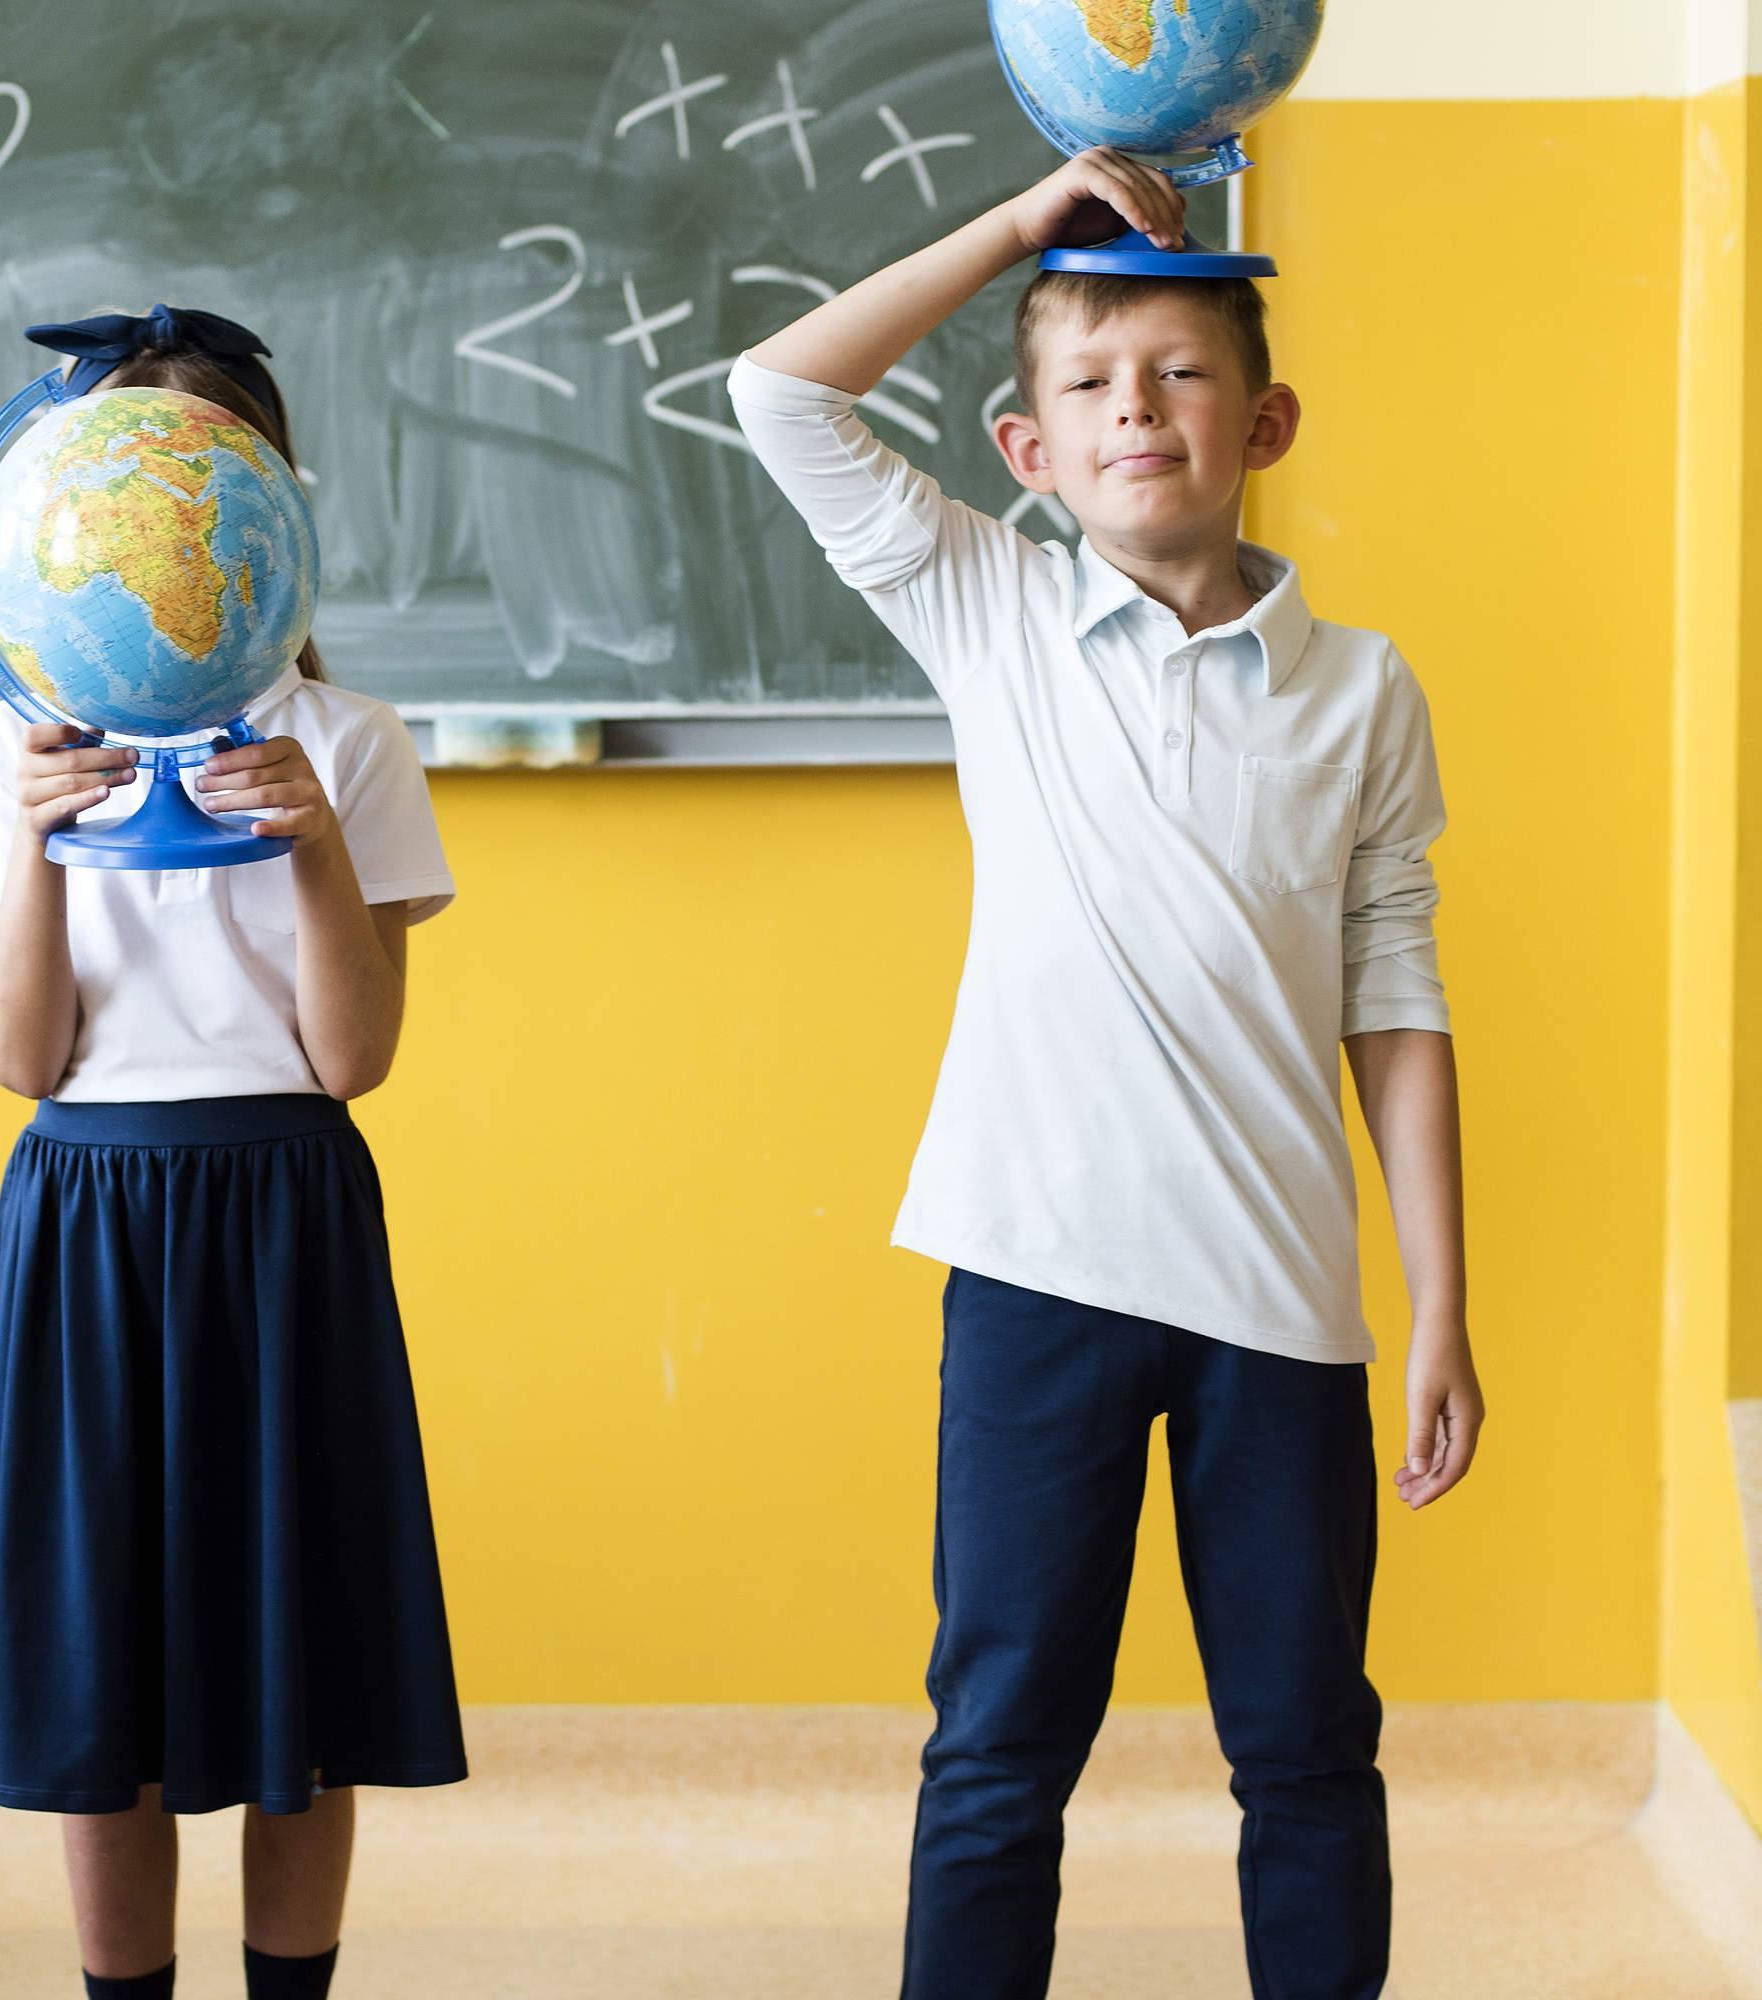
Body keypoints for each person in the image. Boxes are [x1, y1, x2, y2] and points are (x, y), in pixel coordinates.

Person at [729, 150, 1485, 1999]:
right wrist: (1016, 234)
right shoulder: (988, 611)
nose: (1136, 409)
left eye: (1180, 374)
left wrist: (1440, 1302)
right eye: (1088, 385)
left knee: (1307, 1753)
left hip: (1281, 1311)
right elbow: (778, 392)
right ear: (1027, 448)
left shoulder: (1363, 687)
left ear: (1268, 417)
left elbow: (1395, 990)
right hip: (1034, 1282)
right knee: (996, 1758)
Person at [0, 306, 467, 2000]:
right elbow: (23, 1058)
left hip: (285, 1209)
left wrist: (308, 840)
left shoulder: (356, 742)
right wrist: (35, 834)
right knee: (108, 1672)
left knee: (302, 1669)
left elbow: (353, 1059)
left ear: (270, 521)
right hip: (88, 1213)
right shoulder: (4, 750)